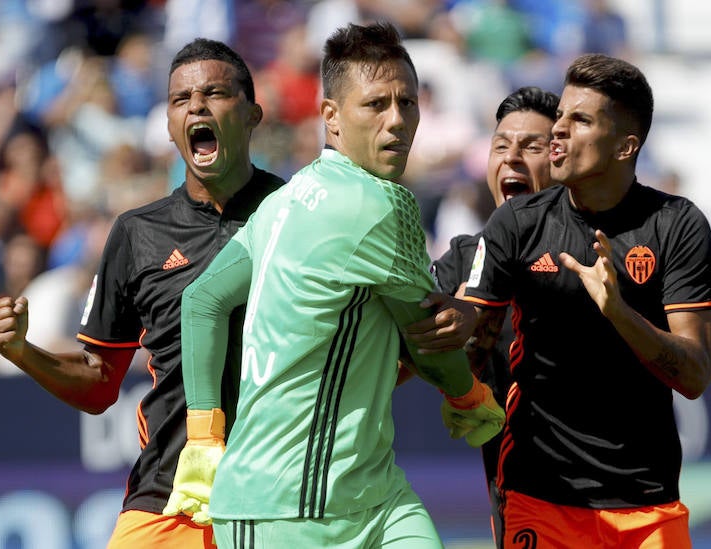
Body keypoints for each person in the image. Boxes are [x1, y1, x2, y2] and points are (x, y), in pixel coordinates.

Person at [163, 22, 504, 548]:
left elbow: (203, 299)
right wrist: (468, 396)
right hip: (281, 507)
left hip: (374, 492)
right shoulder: (380, 203)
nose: (397, 122)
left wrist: (206, 433)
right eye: (376, 106)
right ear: (331, 117)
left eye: (407, 103)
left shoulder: (279, 202)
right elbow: (427, 338)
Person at [0, 38, 287, 548]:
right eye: (180, 99)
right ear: (168, 126)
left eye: (214, 93)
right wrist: (20, 351)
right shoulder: (136, 233)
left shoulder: (297, 214)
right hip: (168, 503)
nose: (196, 106)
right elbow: (101, 383)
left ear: (253, 113)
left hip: (281, 503)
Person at [459, 53, 711, 548]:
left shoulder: (678, 224)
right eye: (561, 116)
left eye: (580, 119)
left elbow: (696, 374)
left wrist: (618, 311)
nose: (558, 131)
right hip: (540, 498)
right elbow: (467, 325)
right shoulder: (518, 224)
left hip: (647, 505)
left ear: (626, 146)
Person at [430, 85, 559, 547]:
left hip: (619, 505)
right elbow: (404, 366)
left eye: (532, 146)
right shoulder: (463, 260)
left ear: (561, 159)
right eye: (500, 146)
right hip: (519, 506)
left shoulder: (601, 253)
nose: (512, 158)